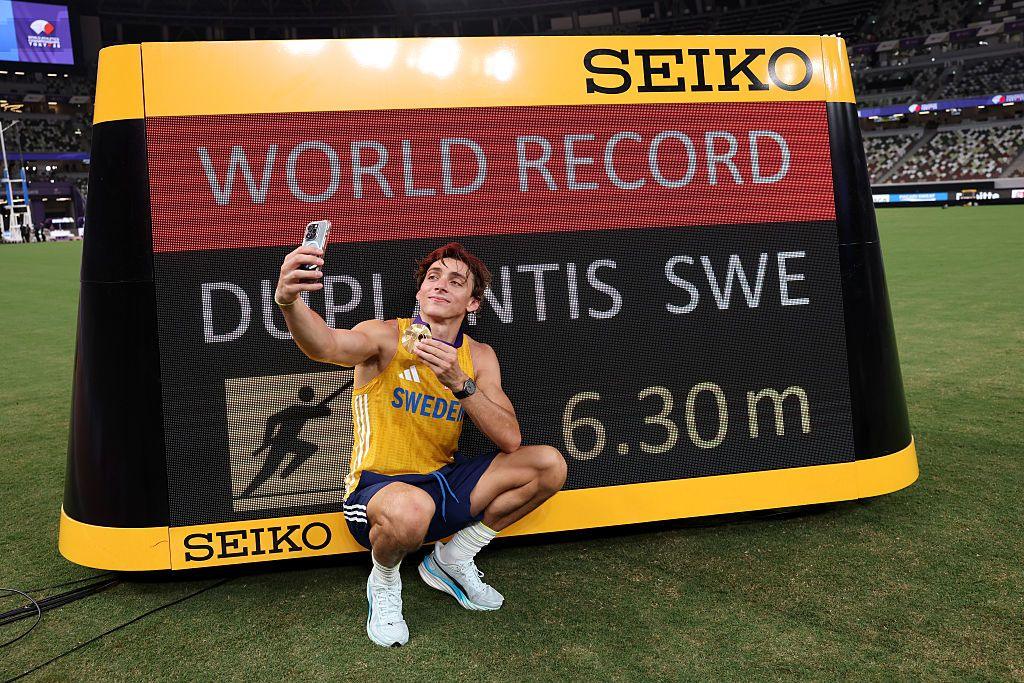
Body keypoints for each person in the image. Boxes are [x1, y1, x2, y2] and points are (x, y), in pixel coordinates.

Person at [274, 241, 567, 647]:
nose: (441, 285)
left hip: (442, 484)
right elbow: (325, 345)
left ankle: (453, 558)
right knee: (413, 507)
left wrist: (459, 383)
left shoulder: (478, 357)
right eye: (433, 277)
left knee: (548, 464)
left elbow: (510, 438)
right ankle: (384, 580)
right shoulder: (384, 336)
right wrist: (289, 302)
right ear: (419, 293)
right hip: (379, 492)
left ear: (473, 303)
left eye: (456, 281)